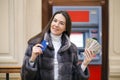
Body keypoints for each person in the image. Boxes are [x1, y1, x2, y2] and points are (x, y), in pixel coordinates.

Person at [21, 10, 96, 80]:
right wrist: (32, 59)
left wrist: (84, 63)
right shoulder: (35, 44)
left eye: (61, 23)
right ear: (51, 22)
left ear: (65, 28)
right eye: (55, 21)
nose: (56, 25)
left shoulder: (72, 48)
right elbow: (25, 77)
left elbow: (75, 77)